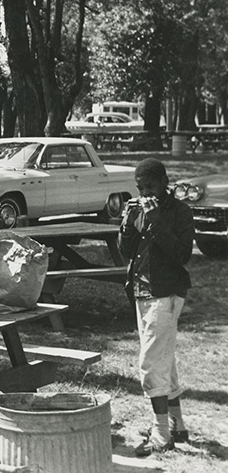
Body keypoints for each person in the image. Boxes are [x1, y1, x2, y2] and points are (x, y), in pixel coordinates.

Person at [118, 158, 194, 456]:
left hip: (166, 292)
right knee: (165, 359)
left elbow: (182, 255)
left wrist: (157, 221)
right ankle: (176, 422)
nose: (146, 192)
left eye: (150, 186)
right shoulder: (140, 209)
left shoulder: (179, 211)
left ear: (165, 181)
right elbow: (126, 251)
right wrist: (127, 224)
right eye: (140, 188)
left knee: (151, 364)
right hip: (143, 290)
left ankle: (162, 433)